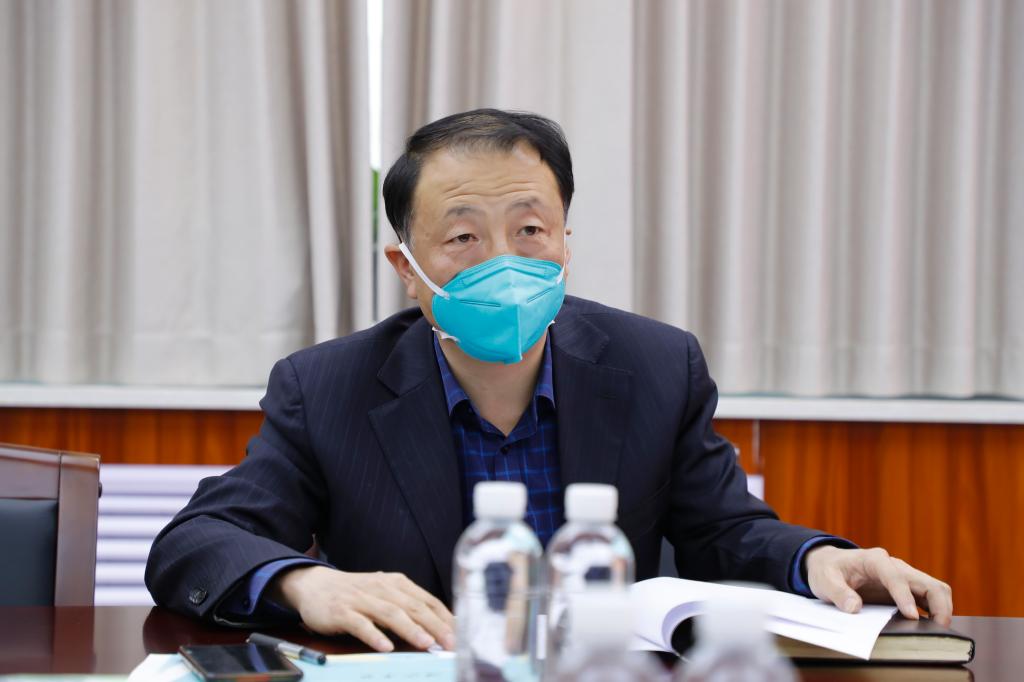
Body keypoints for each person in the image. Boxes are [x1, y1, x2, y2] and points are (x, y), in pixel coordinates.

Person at [145, 109, 953, 654]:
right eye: (463, 237)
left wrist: (819, 559)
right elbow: (195, 542)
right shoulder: (328, 387)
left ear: (567, 241)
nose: (504, 261)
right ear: (407, 266)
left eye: (530, 229)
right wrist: (304, 583)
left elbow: (725, 531)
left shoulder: (655, 365)